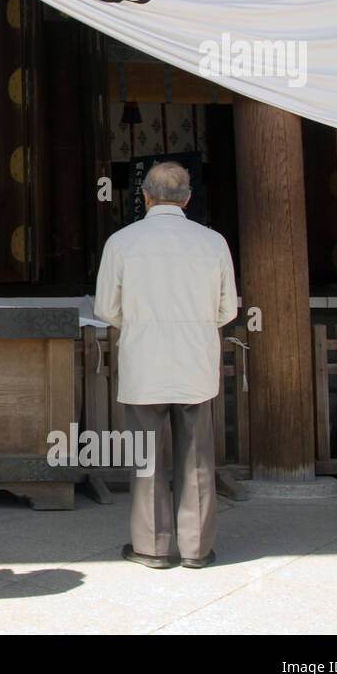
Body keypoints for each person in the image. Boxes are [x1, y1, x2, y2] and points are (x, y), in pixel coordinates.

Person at [94, 161, 237, 570]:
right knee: (196, 459)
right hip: (196, 362)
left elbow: (106, 307)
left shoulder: (122, 241)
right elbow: (227, 308)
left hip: (145, 361)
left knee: (147, 459)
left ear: (146, 196)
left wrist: (141, 324)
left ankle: (152, 547)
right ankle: (196, 549)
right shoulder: (213, 242)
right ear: (187, 198)